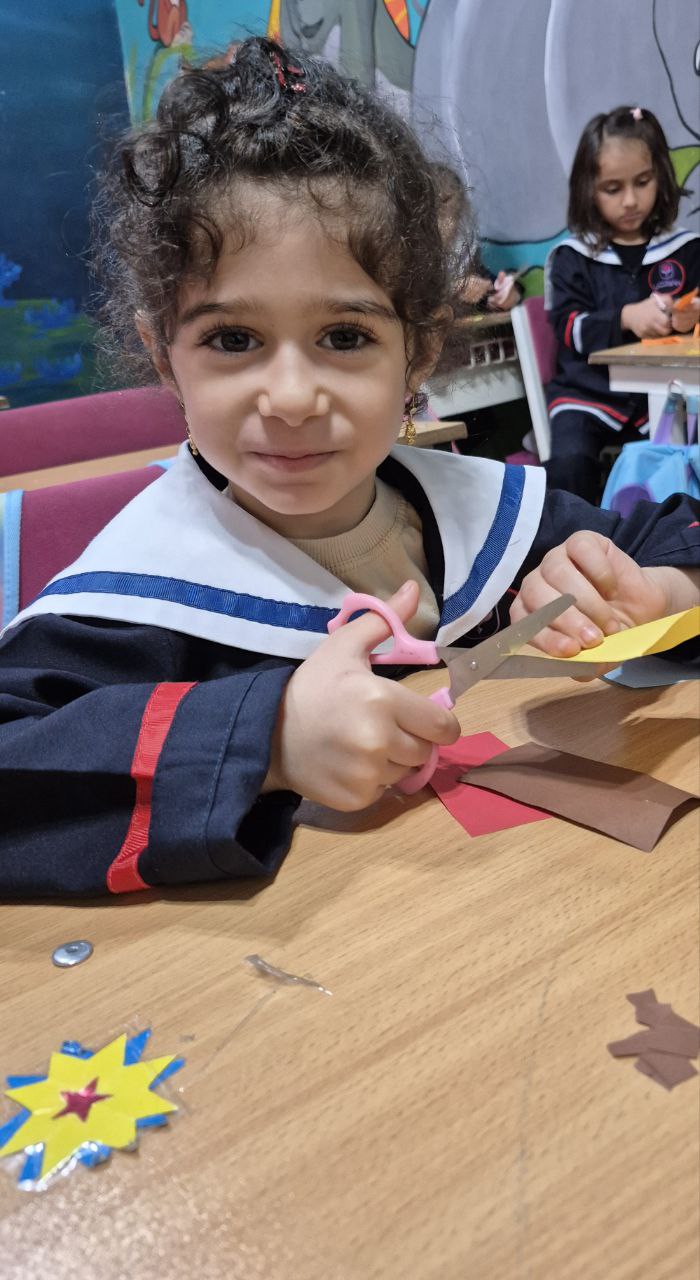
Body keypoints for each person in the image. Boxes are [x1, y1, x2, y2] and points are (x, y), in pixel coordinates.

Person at [0, 42, 698, 897]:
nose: (292, 397)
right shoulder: (135, 595)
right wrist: (270, 742)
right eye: (232, 339)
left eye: (344, 336)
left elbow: (677, 541)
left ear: (419, 354)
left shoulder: (489, 518)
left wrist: (660, 592)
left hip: (523, 913)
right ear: (162, 356)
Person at [544, 105, 700, 503]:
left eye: (642, 182)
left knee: (683, 455)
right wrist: (627, 317)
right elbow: (569, 327)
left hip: (667, 396)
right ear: (588, 189)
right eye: (612, 189)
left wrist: (688, 319)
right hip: (586, 396)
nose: (630, 200)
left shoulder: (686, 249)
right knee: (570, 463)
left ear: (660, 175)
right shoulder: (571, 257)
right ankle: (576, 537)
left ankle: (675, 532)